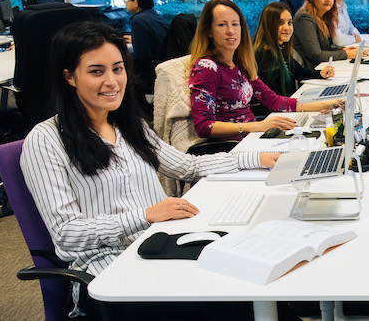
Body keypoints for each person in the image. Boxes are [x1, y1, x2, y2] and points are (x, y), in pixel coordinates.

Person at [20, 21, 279, 319]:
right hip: (111, 275)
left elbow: (187, 165)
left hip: (160, 247)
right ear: (69, 76)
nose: (112, 81)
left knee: (253, 277)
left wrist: (256, 158)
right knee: (242, 302)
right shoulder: (46, 140)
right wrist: (144, 215)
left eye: (117, 69)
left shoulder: (127, 125)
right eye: (96, 71)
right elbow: (66, 233)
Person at [189, 0, 338, 140]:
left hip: (254, 136)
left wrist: (326, 104)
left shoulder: (240, 64)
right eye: (222, 25)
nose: (230, 31)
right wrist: (257, 126)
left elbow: (275, 101)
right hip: (233, 146)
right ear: (208, 31)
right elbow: (204, 126)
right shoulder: (206, 68)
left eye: (235, 24)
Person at [253, 1, 335, 97]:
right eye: (280, 23)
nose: (287, 28)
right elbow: (273, 97)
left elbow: (299, 72)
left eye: (289, 23)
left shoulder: (281, 48)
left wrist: (320, 73)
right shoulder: (264, 54)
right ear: (268, 25)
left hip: (287, 103)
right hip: (277, 109)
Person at [292, 0, 363, 69]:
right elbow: (316, 55)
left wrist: (343, 49)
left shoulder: (322, 17)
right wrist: (346, 54)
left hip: (323, 69)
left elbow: (326, 47)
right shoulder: (305, 17)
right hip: (311, 73)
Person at [125, 0, 169, 90]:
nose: (126, 3)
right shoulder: (153, 15)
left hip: (150, 75)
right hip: (163, 67)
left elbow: (142, 56)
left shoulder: (139, 20)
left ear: (135, 2)